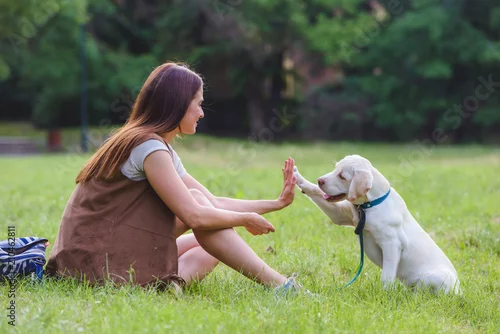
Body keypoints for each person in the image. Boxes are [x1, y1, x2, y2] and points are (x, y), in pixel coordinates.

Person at [46, 62, 304, 294]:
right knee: (201, 210)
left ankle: (163, 286)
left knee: (212, 247)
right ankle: (282, 286)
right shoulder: (148, 147)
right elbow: (195, 216)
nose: (202, 113)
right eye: (199, 104)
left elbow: (212, 202)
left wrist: (276, 203)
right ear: (178, 103)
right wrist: (245, 219)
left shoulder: (154, 144)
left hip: (95, 251)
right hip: (89, 261)